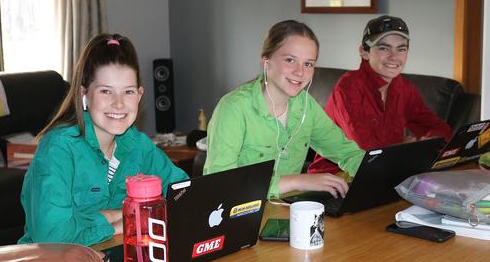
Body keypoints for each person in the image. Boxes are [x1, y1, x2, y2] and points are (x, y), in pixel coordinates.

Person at [19, 33, 188, 246]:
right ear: (84, 95)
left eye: (128, 92)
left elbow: (182, 195)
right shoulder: (58, 149)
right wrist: (117, 221)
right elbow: (51, 237)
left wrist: (109, 217)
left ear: (139, 95)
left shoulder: (139, 145)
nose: (118, 104)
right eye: (106, 91)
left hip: (117, 257)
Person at [203, 20, 365, 199]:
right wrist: (296, 181)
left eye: (308, 64)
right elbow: (219, 183)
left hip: (287, 212)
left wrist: (381, 174)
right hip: (240, 216)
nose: (300, 72)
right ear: (266, 61)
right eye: (290, 60)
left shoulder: (306, 106)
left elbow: (346, 152)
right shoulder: (233, 108)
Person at [308, 15, 452, 174]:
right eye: (383, 48)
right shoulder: (349, 87)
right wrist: (408, 148)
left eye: (401, 49)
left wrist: (429, 141)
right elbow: (365, 153)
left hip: (390, 171)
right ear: (364, 52)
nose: (394, 56)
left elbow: (439, 128)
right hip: (337, 178)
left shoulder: (403, 87)